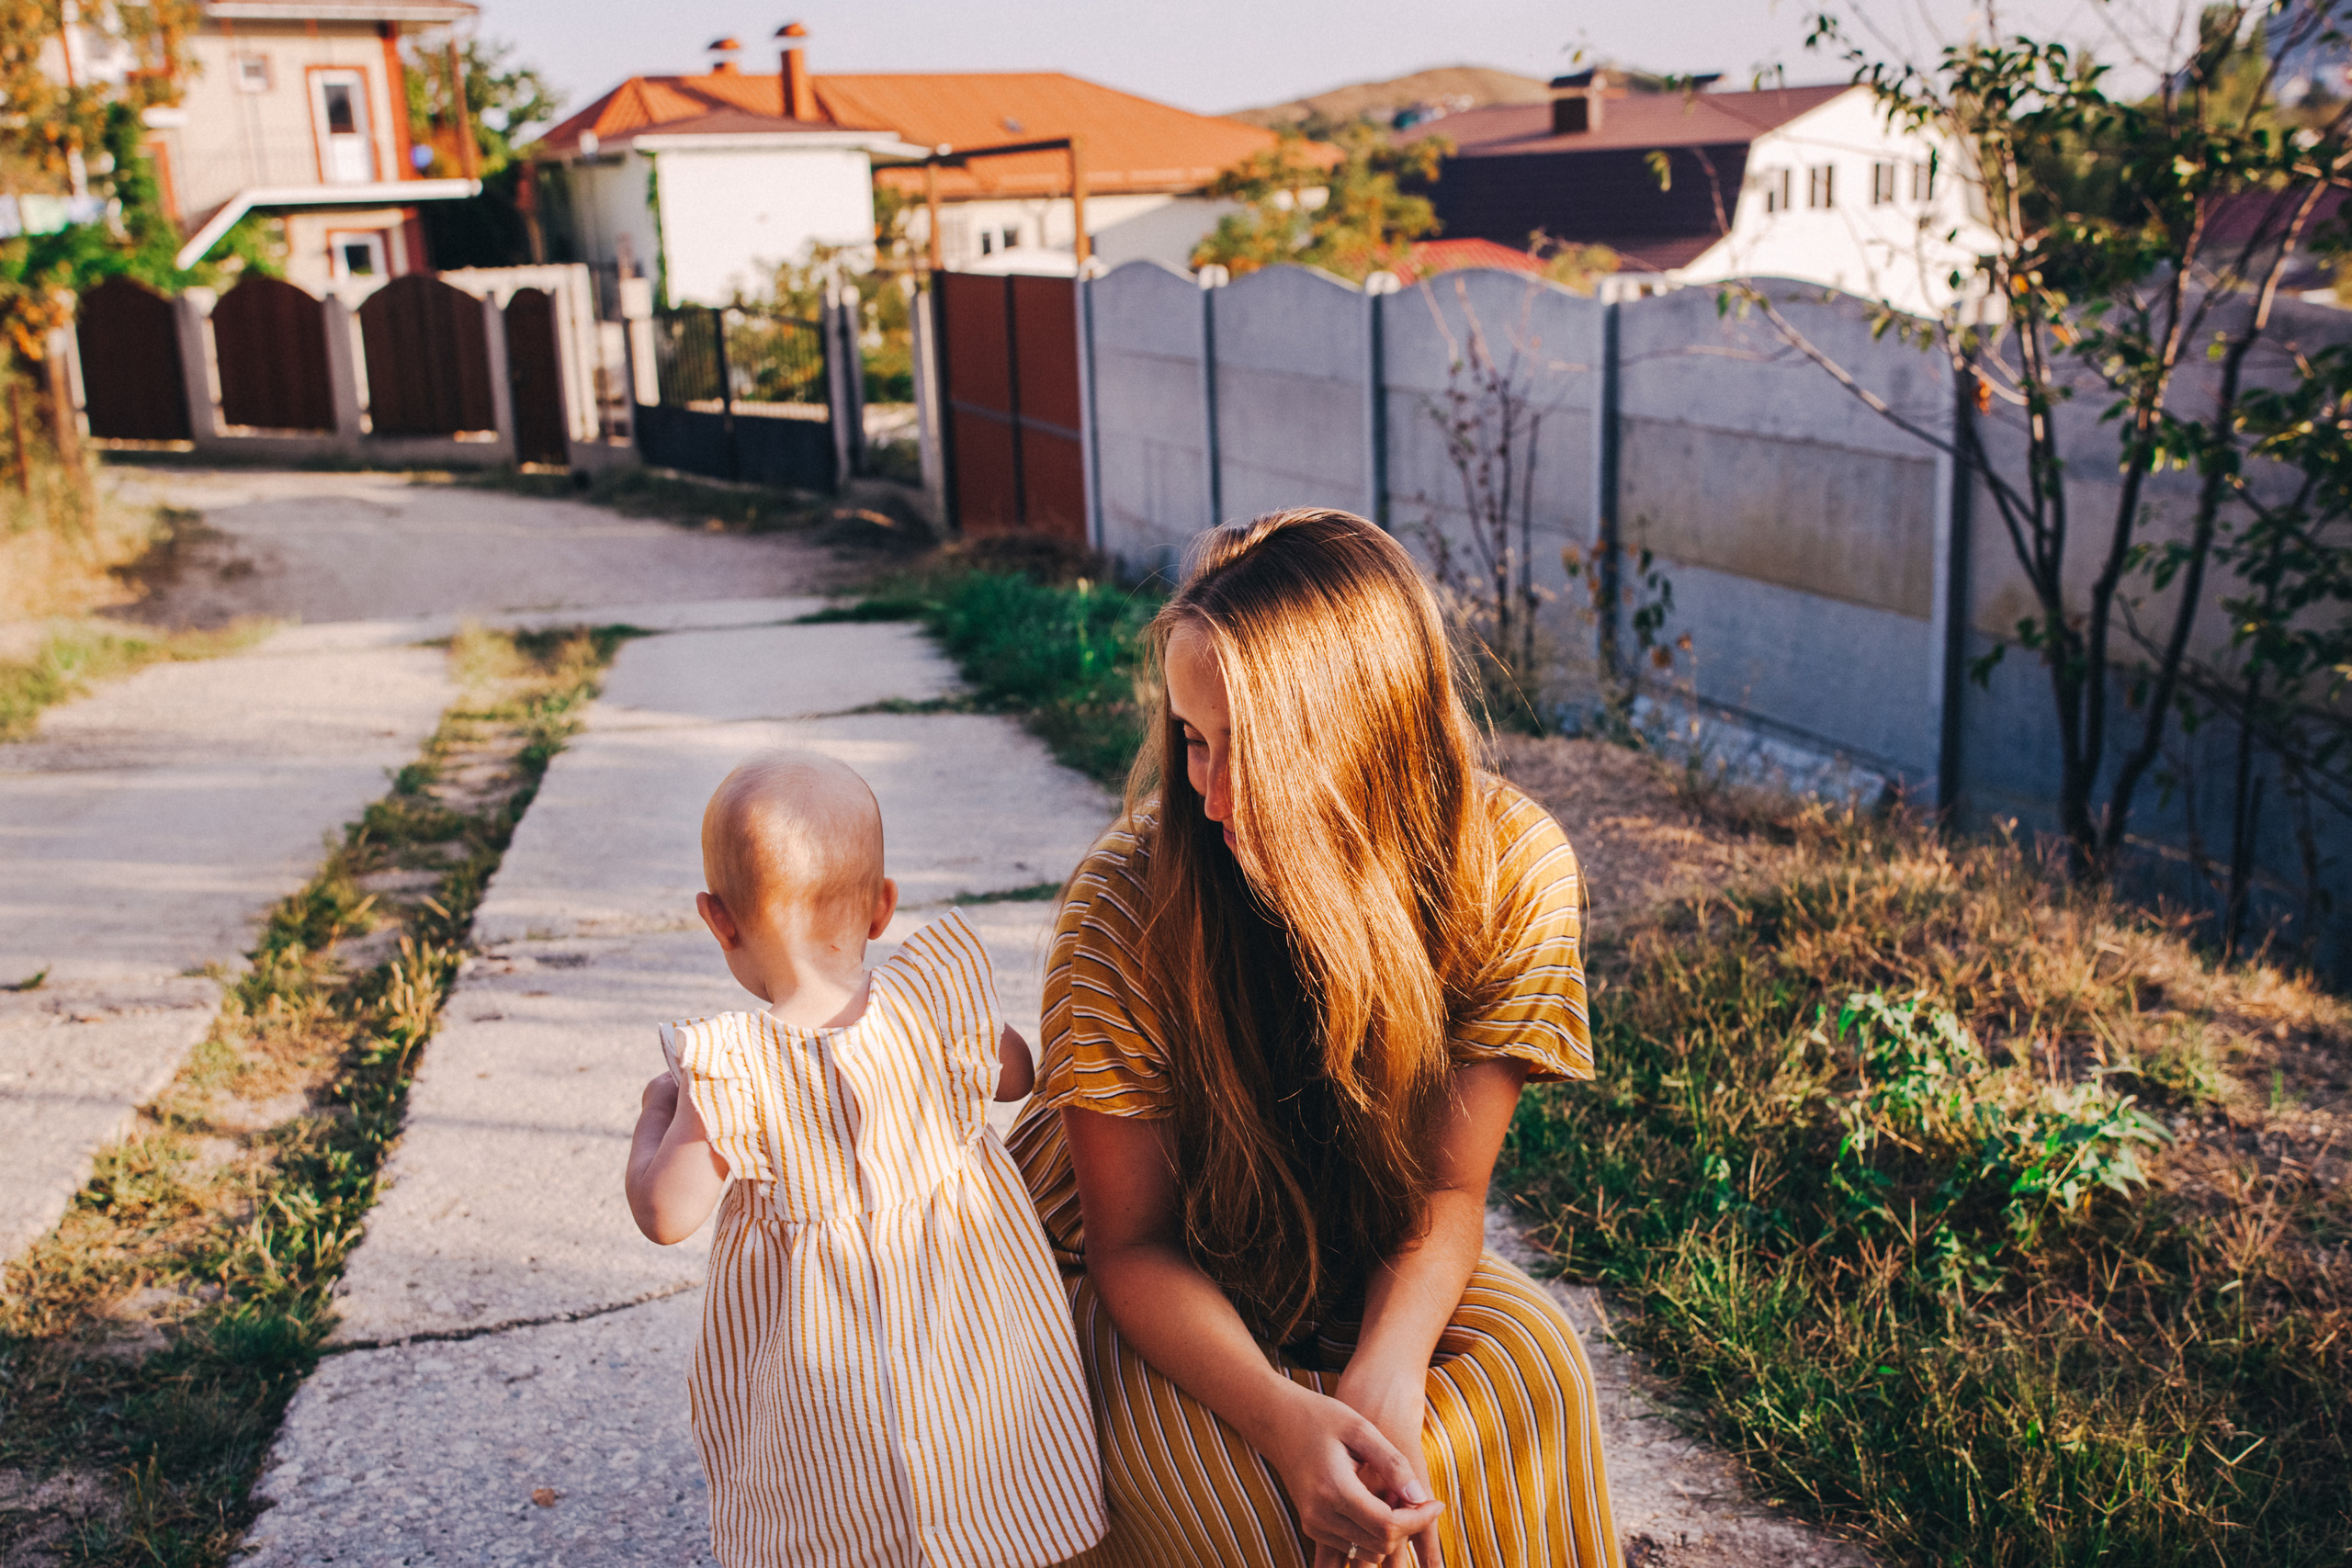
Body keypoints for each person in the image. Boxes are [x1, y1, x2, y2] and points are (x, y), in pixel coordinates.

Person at [1006, 508, 1621, 1568]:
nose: (1208, 795)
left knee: (1534, 1369)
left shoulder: (1510, 868)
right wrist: (1289, 1427)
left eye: (1247, 749)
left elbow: (1447, 1191)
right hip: (1127, 1283)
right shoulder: (1126, 906)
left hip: (1355, 1249)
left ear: (1369, 733)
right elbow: (1130, 1245)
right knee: (1268, 1518)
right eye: (1192, 740)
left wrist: (1385, 1376)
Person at [626, 750, 1106, 1568]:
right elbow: (1018, 1073)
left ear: (719, 920)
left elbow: (666, 1211)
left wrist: (656, 1114)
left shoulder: (734, 1071)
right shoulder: (932, 1002)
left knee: (833, 1508)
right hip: (969, 1355)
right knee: (989, 1493)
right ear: (883, 906)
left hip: (828, 1397)